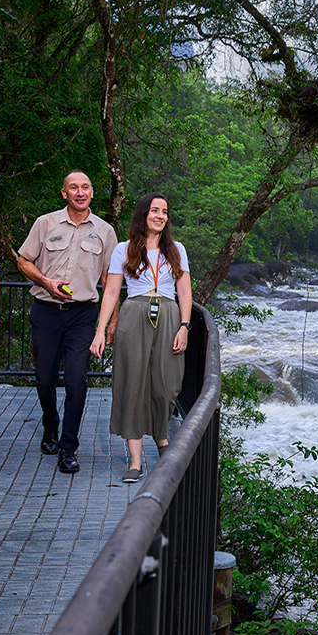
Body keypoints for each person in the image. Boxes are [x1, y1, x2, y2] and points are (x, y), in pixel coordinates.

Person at [16, 170, 118, 473]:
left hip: (83, 315)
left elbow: (109, 280)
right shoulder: (45, 223)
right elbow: (23, 261)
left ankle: (68, 446)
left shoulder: (105, 231)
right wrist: (46, 282)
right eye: (73, 187)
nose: (80, 192)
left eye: (85, 187)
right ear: (64, 193)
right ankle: (50, 423)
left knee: (77, 380)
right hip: (46, 311)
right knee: (44, 378)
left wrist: (110, 321)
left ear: (92, 192)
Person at [91, 193, 193, 483]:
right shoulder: (124, 249)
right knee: (131, 383)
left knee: (166, 384)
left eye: (164, 211)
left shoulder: (177, 249)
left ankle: (162, 439)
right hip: (134, 314)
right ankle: (135, 461)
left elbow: (184, 291)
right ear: (143, 215)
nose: (160, 215)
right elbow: (111, 292)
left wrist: (184, 326)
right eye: (154, 210)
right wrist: (100, 331)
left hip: (170, 315)